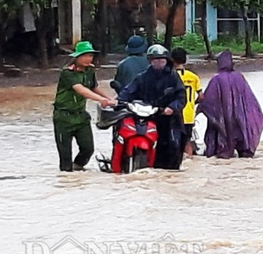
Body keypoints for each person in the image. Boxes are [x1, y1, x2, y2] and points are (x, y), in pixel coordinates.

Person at [117, 44, 185, 170]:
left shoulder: (174, 77)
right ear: (150, 61)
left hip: (169, 118)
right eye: (155, 60)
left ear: (167, 60)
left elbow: (181, 97)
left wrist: (172, 107)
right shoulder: (142, 77)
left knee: (174, 145)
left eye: (161, 60)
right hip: (148, 117)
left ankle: (171, 173)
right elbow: (128, 91)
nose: (159, 63)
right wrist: (119, 101)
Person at [53, 41, 116, 172]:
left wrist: (110, 99)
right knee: (65, 157)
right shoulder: (67, 73)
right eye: (85, 56)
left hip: (81, 116)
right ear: (77, 57)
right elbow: (81, 90)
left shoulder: (90, 71)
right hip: (63, 117)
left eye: (90, 56)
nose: (89, 59)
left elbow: (94, 87)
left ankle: (77, 172)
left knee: (88, 149)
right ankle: (67, 178)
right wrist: (101, 100)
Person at [197, 49, 263, 159]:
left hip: (224, 119)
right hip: (240, 118)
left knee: (223, 150)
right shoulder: (239, 77)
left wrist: (197, 108)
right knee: (243, 150)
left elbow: (208, 100)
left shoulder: (216, 79)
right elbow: (249, 99)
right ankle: (244, 150)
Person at [171, 47, 203, 157]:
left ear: (172, 60)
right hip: (189, 114)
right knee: (187, 141)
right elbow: (201, 96)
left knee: (173, 141)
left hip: (174, 114)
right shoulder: (193, 77)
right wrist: (193, 103)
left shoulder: (170, 76)